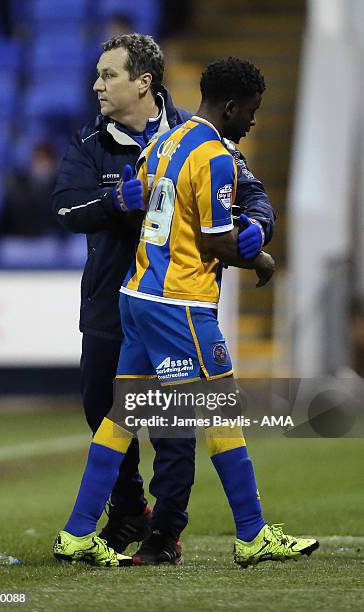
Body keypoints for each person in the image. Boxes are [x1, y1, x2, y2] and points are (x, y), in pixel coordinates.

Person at [53, 56, 319, 568]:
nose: (254, 122)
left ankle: (77, 533)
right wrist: (261, 257)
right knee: (220, 412)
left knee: (121, 415)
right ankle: (252, 534)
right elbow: (218, 241)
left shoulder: (163, 144)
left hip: (136, 296)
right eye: (253, 111)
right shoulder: (215, 157)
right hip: (180, 303)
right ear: (233, 105)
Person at [0, 142, 63, 240]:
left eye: (44, 160)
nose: (41, 164)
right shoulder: (21, 182)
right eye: (38, 160)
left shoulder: (60, 186)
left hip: (47, 238)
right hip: (18, 236)